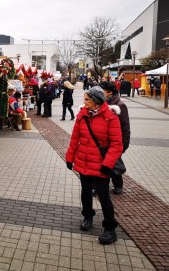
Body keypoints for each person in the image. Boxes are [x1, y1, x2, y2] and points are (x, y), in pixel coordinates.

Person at [65, 86, 123, 244]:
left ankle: (110, 229)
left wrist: (108, 163)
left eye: (86, 99)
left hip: (100, 165)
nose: (83, 102)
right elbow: (74, 139)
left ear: (96, 101)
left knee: (103, 196)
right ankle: (88, 216)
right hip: (83, 162)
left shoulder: (111, 118)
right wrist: (69, 158)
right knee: (85, 192)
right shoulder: (82, 116)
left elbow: (117, 145)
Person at [99, 81, 130, 195]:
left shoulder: (120, 105)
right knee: (103, 163)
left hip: (116, 142)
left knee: (114, 164)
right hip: (103, 141)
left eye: (102, 91)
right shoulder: (101, 103)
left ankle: (118, 185)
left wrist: (124, 145)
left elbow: (125, 127)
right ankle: (102, 186)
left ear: (109, 92)